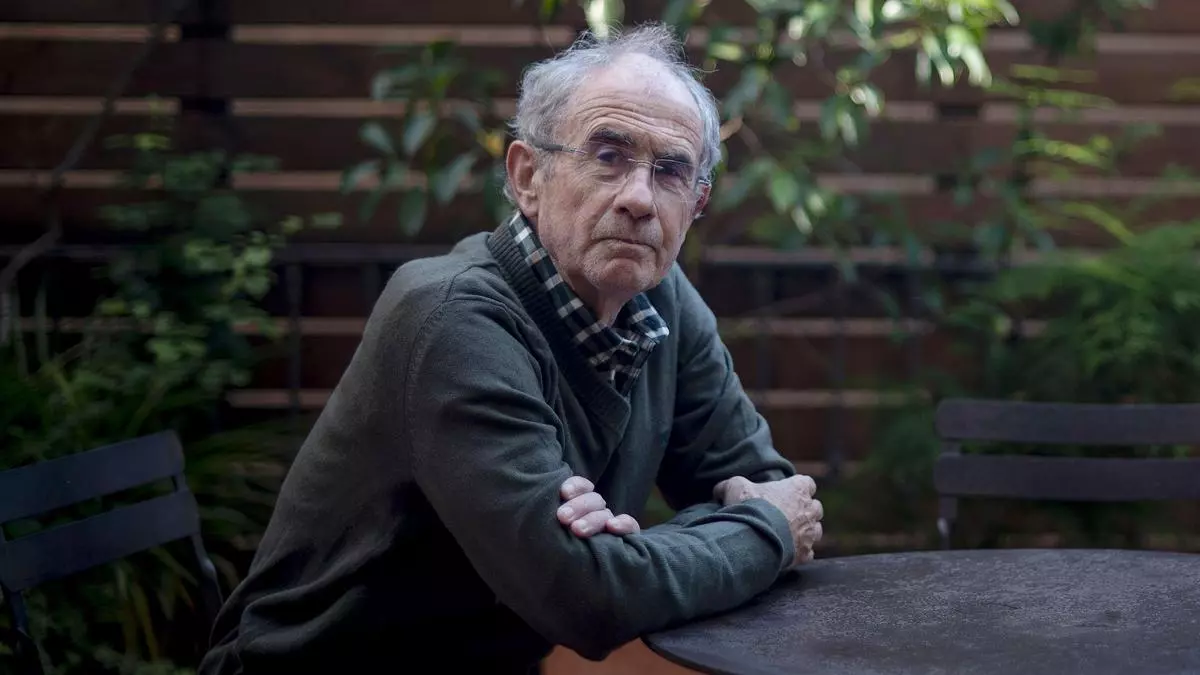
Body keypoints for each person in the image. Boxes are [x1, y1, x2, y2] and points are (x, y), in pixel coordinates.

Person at [198, 22, 823, 675]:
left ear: (695, 204)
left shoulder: (658, 297)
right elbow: (588, 599)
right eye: (608, 155)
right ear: (529, 176)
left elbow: (774, 490)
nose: (639, 199)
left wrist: (634, 556)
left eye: (670, 171)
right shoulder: (451, 318)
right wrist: (754, 533)